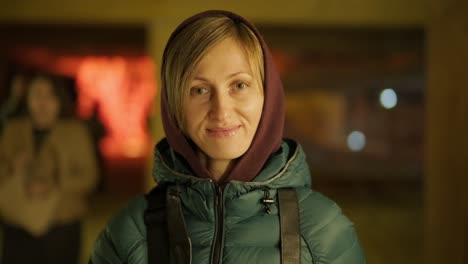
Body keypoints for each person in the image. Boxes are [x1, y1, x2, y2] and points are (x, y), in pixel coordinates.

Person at [90, 10, 365, 264]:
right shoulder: (131, 232)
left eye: (239, 85)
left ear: (268, 97)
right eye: (199, 90)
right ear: (174, 105)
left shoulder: (323, 230)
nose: (221, 111)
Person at [0, 72, 98, 264]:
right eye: (36, 95)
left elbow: (90, 176)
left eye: (49, 96)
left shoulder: (75, 132)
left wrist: (53, 185)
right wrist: (13, 167)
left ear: (59, 100)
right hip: (19, 222)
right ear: (27, 99)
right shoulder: (14, 130)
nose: (42, 103)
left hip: (60, 224)